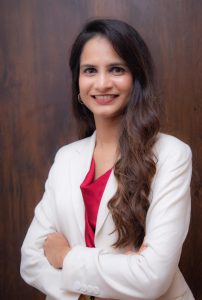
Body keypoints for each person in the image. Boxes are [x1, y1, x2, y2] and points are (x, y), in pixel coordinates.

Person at [20, 19, 194, 300]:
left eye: (116, 69)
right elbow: (30, 259)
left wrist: (65, 256)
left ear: (136, 77)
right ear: (78, 80)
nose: (102, 83)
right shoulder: (66, 159)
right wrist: (88, 293)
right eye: (90, 70)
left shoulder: (172, 155)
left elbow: (152, 277)